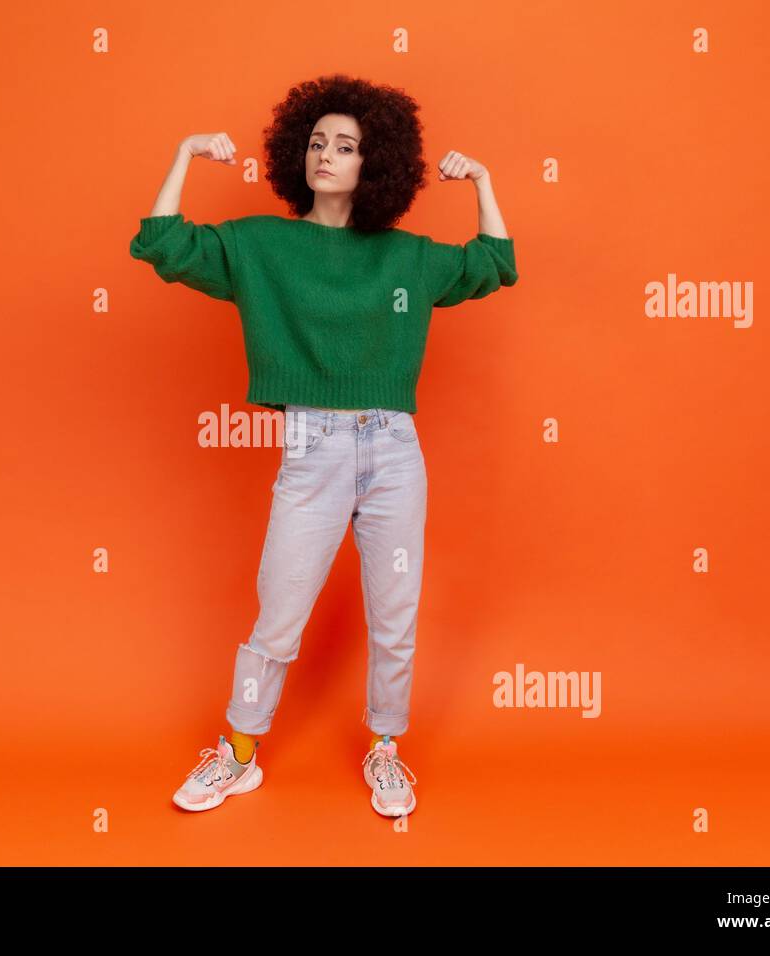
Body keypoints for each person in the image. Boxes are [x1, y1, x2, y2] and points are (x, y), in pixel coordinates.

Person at [128, 73, 517, 817]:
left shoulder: (407, 259)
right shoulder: (262, 247)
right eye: (316, 142)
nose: (326, 156)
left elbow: (493, 263)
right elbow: (162, 243)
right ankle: (237, 755)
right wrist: (182, 153)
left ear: (378, 164)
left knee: (395, 614)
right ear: (293, 154)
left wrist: (485, 183)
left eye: (345, 145)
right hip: (313, 449)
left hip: (395, 452)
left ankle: (384, 752)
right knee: (278, 612)